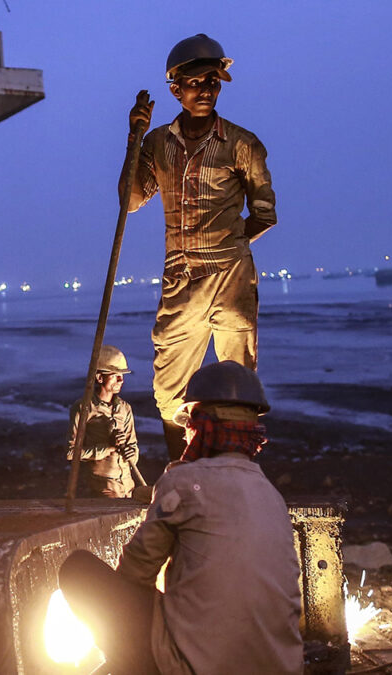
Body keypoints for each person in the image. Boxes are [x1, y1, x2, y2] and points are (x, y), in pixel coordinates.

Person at [58, 361, 302, 675]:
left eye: (188, 427)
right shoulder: (272, 496)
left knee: (78, 569)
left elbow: (135, 573)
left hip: (195, 667)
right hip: (276, 667)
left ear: (200, 426)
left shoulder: (184, 482)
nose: (185, 438)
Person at [121, 34, 276, 460]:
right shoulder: (157, 143)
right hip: (180, 278)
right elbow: (130, 201)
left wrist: (229, 245)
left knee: (238, 379)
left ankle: (238, 471)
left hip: (231, 276)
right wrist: (133, 140)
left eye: (214, 82)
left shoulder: (243, 144)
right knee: (169, 388)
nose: (207, 90)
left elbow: (264, 212)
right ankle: (180, 471)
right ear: (176, 89)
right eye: (197, 83)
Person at [66, 345, 140, 498]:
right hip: (103, 488)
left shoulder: (125, 408)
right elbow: (71, 453)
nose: (121, 380)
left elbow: (133, 447)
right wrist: (108, 448)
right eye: (115, 375)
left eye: (122, 375)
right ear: (100, 378)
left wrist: (131, 453)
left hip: (128, 486)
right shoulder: (83, 408)